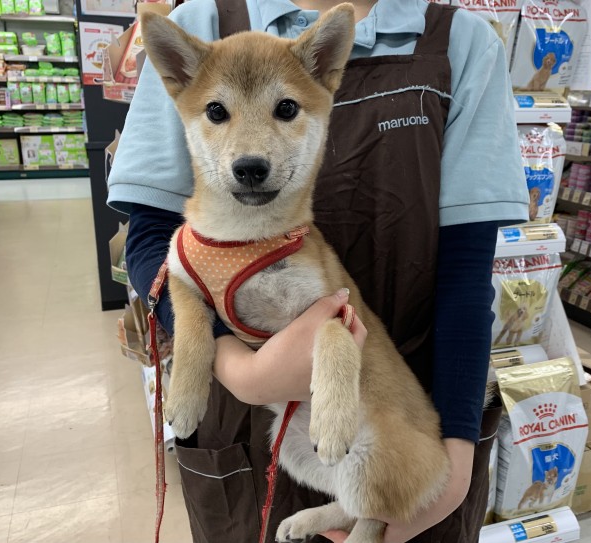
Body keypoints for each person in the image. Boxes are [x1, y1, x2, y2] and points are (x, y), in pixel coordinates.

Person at [107, 0, 529, 541]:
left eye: (284, 110)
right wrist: (239, 368)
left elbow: (466, 271)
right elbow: (149, 241)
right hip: (241, 422)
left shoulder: (462, 44)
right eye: (219, 113)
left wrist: (454, 466)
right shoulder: (198, 29)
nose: (250, 150)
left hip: (403, 410)